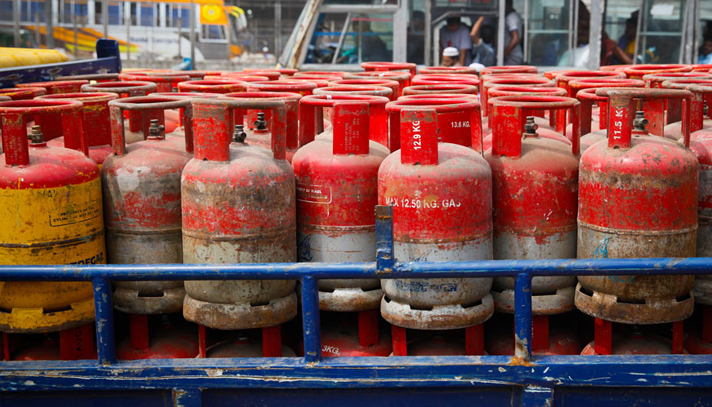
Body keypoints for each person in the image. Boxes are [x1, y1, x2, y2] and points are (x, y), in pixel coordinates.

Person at [503, 0, 523, 65]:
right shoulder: (514, 16)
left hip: (513, 56)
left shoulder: (511, 17)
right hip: (513, 55)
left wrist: (505, 52)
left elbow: (516, 38)